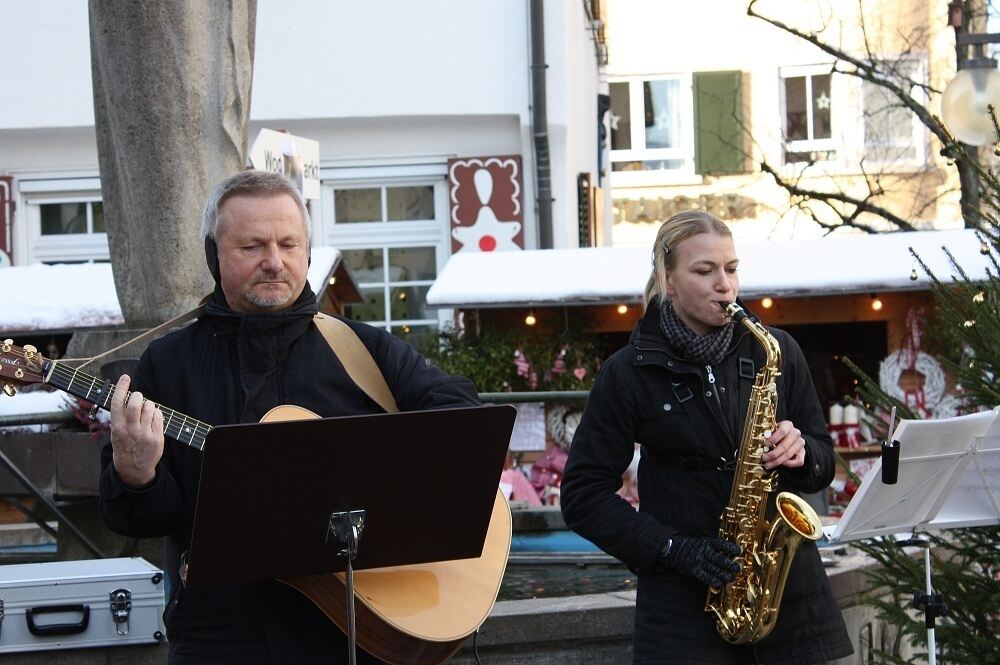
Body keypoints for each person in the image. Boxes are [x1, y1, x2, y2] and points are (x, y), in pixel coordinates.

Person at [99, 170, 480, 665]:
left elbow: (463, 421)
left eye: (288, 244)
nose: (273, 262)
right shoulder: (167, 364)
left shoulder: (360, 348)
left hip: (351, 626)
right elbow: (148, 518)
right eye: (251, 246)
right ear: (215, 257)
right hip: (220, 635)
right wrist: (135, 473)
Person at [560, 211, 853, 665]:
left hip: (787, 596)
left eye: (731, 269)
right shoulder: (626, 373)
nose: (726, 285)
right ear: (668, 280)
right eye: (705, 271)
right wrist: (673, 549)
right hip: (683, 607)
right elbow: (583, 496)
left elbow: (824, 461)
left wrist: (802, 452)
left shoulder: (775, 350)